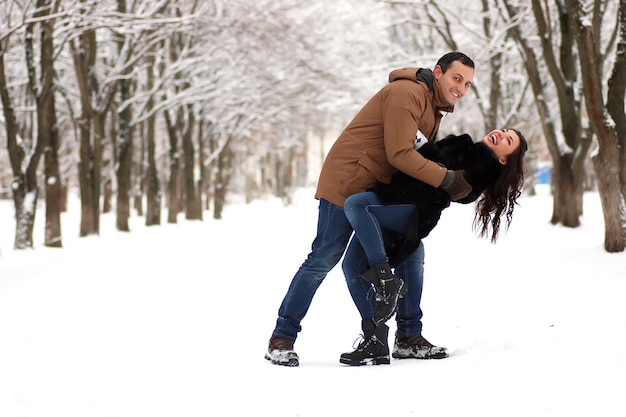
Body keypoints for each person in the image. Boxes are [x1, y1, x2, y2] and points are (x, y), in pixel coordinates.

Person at [265, 52, 476, 367]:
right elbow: (401, 153)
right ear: (438, 73)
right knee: (324, 256)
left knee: (406, 250)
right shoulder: (409, 93)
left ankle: (403, 337)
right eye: (456, 78)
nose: (461, 88)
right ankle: (281, 337)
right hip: (348, 181)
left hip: (376, 191)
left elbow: (419, 154)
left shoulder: (433, 107)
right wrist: (446, 179)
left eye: (468, 84)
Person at [338, 128, 528, 366]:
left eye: (508, 140)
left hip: (410, 205)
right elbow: (428, 161)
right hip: (397, 198)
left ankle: (386, 281)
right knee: (356, 264)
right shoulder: (463, 144)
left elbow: (457, 186)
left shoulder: (485, 165)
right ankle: (390, 337)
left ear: (503, 158)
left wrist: (423, 150)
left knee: (357, 205)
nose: (500, 134)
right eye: (503, 130)